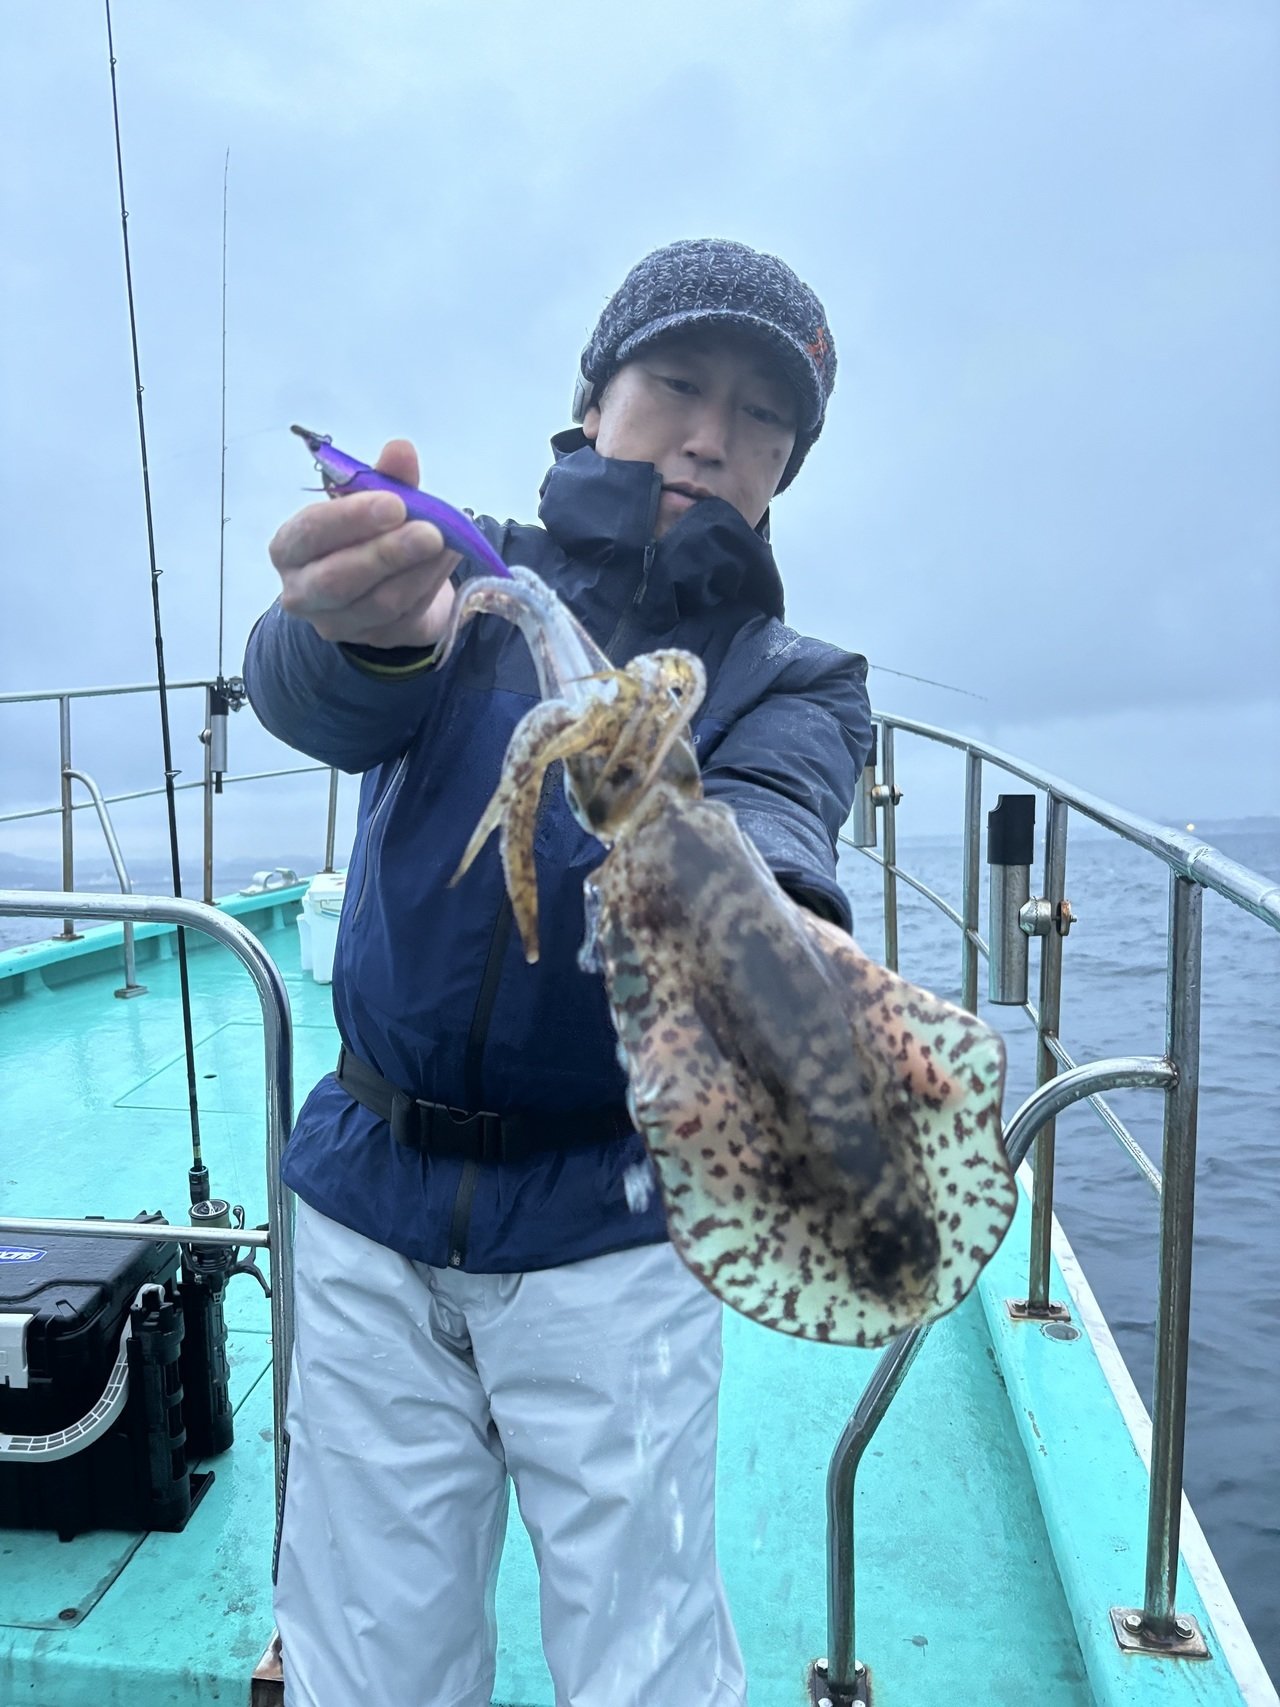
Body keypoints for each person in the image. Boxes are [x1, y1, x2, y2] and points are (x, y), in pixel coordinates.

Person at [244, 237, 872, 1707]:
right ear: (595, 400)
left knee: (644, 1661)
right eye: (678, 383)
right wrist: (351, 630)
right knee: (365, 1661)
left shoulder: (794, 677)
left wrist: (764, 907)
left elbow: (783, 826)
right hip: (370, 1198)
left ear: (786, 465)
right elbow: (311, 688)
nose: (711, 437)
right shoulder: (464, 584)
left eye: (762, 417)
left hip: (617, 1226)